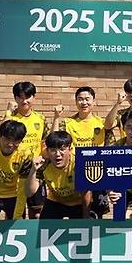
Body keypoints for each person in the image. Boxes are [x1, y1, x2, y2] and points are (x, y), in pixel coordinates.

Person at [52, 86, 107, 217]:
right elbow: (54, 140)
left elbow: (109, 148)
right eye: (80, 99)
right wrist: (56, 117)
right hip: (74, 173)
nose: (84, 102)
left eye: (87, 99)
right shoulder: (68, 123)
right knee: (79, 214)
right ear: (76, 102)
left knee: (96, 215)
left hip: (97, 173)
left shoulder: (102, 124)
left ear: (94, 101)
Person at [0, 81, 50, 219]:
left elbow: (45, 143)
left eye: (28, 97)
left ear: (34, 97)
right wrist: (8, 111)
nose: (24, 101)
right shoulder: (10, 118)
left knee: (37, 212)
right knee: (15, 213)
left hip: (35, 170)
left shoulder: (41, 119)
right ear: (15, 98)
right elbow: (0, 135)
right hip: (14, 171)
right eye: (20, 97)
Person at [25, 131, 90, 219]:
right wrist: (33, 170)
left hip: (79, 202)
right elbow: (29, 193)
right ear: (47, 151)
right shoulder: (43, 164)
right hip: (56, 201)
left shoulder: (78, 163)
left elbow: (86, 193)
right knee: (44, 224)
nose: (58, 154)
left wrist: (86, 218)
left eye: (62, 149)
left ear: (70, 149)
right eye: (53, 150)